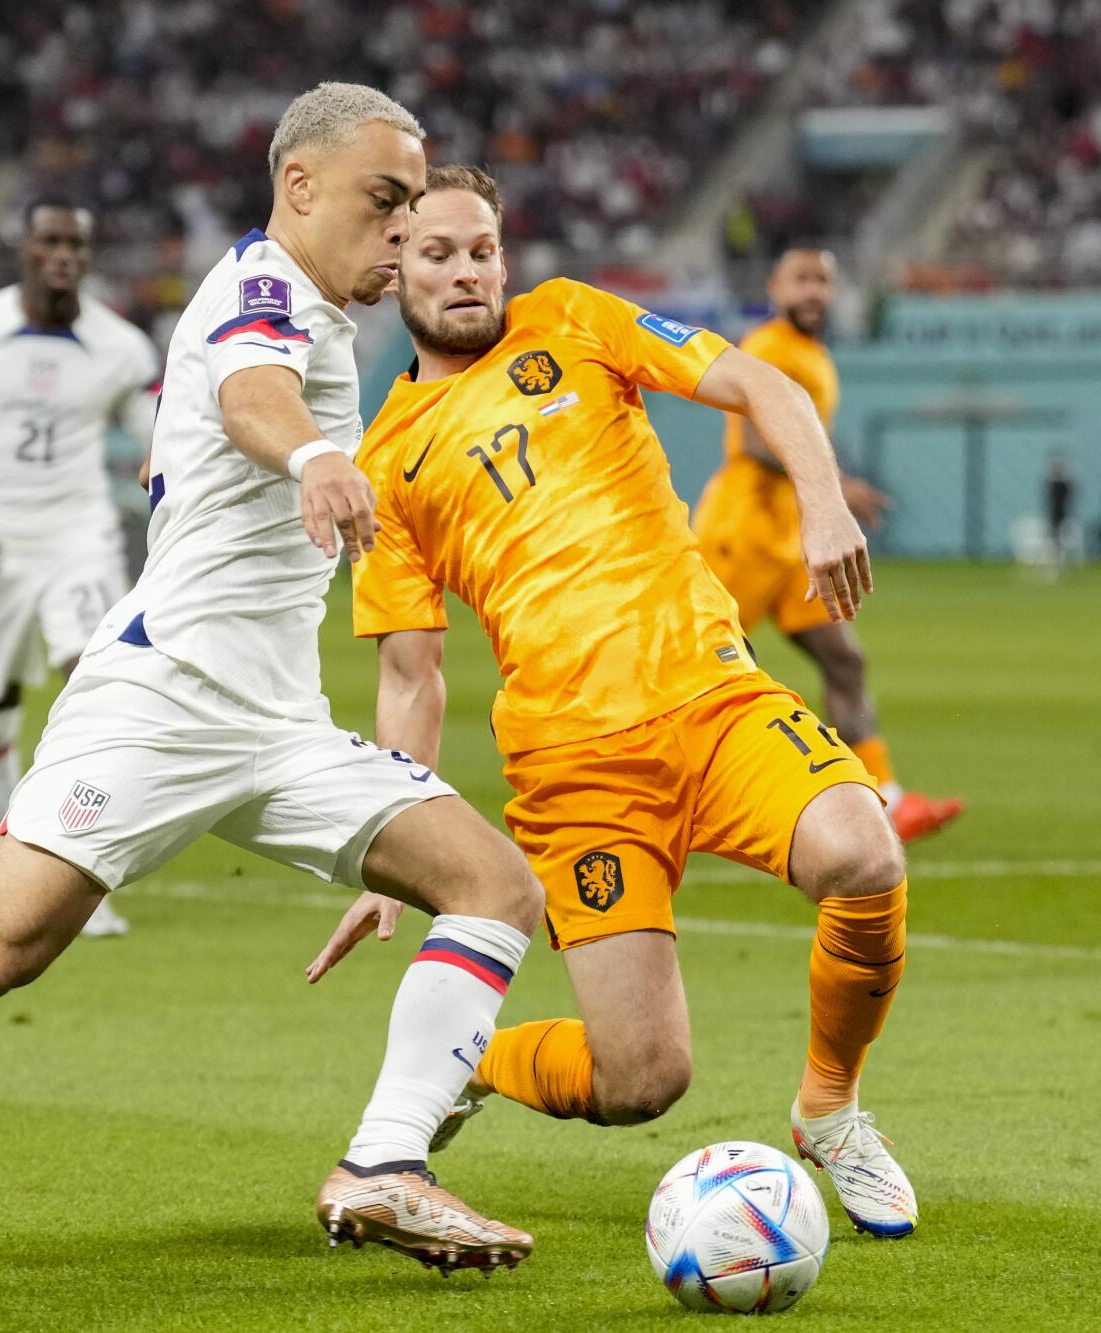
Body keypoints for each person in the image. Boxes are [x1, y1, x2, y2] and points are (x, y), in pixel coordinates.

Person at [0, 85, 544, 1276]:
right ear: (299, 185)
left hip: (279, 722)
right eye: (383, 201)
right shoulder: (258, 290)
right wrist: (312, 453)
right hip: (160, 702)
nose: (401, 232)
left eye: (413, 207)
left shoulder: (327, 319)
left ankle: (384, 1166)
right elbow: (252, 393)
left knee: (493, 887)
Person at [312, 168, 918, 1238]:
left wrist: (823, 506)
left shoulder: (576, 320)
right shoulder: (385, 458)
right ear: (391, 267)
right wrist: (386, 850)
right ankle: (477, 1061)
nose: (466, 271)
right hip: (574, 769)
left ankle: (829, 1108)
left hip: (710, 696)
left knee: (861, 852)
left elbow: (761, 387)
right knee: (639, 1080)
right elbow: (410, 674)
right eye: (439, 252)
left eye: (483, 249)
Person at [0, 197, 161, 938]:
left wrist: (162, 470)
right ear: (24, 247)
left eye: (76, 245)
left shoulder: (121, 345)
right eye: (50, 241)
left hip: (80, 536)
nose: (64, 256)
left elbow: (155, 438)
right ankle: (0, 884)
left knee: (93, 688)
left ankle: (79, 882)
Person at [690, 247, 962, 843]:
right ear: (775, 286)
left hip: (791, 536)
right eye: (801, 279)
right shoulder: (767, 348)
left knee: (845, 659)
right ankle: (686, 799)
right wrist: (835, 484)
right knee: (705, 673)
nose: (813, 291)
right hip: (743, 529)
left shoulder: (812, 354)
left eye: (823, 281)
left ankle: (885, 801)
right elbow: (756, 444)